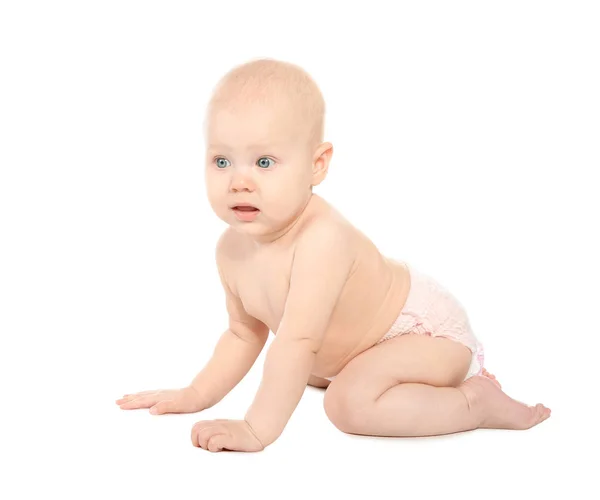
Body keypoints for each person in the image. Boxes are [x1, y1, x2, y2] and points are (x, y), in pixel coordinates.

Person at [115, 58, 551, 452]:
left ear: (317, 165)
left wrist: (256, 428)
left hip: (420, 334)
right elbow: (244, 335)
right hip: (354, 347)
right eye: (222, 161)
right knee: (301, 368)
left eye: (264, 163)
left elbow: (297, 341)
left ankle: (476, 402)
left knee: (348, 404)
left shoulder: (322, 239)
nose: (239, 181)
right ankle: (362, 373)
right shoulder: (230, 249)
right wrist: (194, 394)